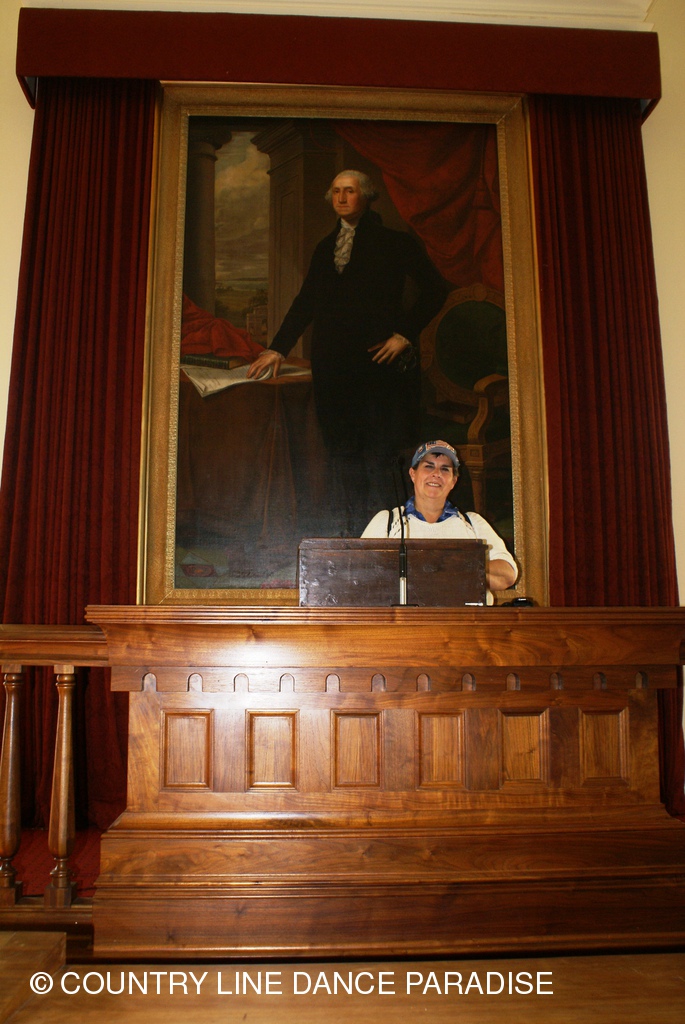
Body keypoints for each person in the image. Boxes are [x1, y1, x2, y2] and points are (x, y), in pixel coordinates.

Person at [247, 170, 446, 530]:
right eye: (336, 191)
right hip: (333, 368)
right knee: (341, 455)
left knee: (379, 457)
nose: (341, 198)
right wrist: (277, 348)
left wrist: (404, 335)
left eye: (350, 191)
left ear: (366, 196)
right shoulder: (326, 247)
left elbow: (435, 289)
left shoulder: (394, 242)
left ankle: (389, 537)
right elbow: (306, 302)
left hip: (377, 367)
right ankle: (354, 534)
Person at [362, 440, 517, 602]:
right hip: (404, 618)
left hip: (464, 618)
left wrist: (452, 567)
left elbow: (507, 574)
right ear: (413, 474)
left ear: (454, 481)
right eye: (429, 466)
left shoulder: (473, 523)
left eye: (445, 469)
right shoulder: (387, 522)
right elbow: (357, 575)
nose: (436, 474)